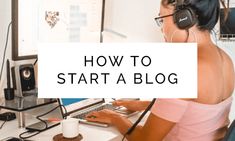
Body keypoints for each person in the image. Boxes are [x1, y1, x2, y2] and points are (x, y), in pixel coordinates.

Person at [86, 0, 235, 140]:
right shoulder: (225, 60)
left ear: (184, 18)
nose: (162, 28)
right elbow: (198, 113)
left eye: (162, 19)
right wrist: (144, 105)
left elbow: (146, 139)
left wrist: (115, 118)